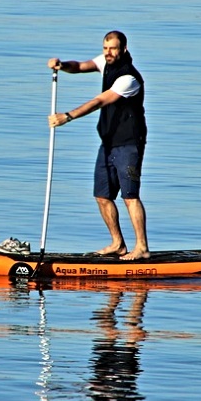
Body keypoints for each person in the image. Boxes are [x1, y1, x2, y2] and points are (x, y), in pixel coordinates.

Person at [48, 30, 150, 260]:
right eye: (105, 48)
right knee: (102, 196)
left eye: (113, 48)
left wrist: (68, 116)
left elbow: (100, 101)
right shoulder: (105, 62)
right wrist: (62, 65)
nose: (108, 53)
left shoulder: (129, 78)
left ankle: (142, 247)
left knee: (130, 196)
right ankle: (118, 244)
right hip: (108, 143)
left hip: (129, 145)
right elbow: (80, 66)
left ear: (123, 49)